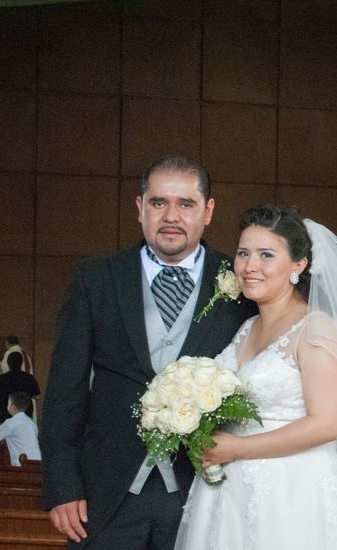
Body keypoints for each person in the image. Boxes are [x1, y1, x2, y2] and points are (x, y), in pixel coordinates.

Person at [40, 155, 257, 550]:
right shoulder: (96, 278)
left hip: (203, 493)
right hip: (105, 497)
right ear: (140, 207)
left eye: (186, 204)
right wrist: (61, 486)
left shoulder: (243, 283)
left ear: (208, 211)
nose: (170, 216)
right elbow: (64, 393)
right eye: (158, 203)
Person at [175, 204, 337, 550]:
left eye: (266, 255)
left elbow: (325, 424)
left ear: (298, 265)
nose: (250, 266)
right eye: (243, 253)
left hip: (290, 491)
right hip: (230, 488)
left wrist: (238, 448)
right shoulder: (246, 327)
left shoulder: (315, 329)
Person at [0, 391, 41, 466]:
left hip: (22, 465)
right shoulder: (32, 423)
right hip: (38, 463)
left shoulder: (10, 423)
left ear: (12, 405)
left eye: (8, 403)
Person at [0, 351, 40, 425]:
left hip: (5, 417)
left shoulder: (1, 378)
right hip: (25, 416)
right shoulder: (29, 378)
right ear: (21, 363)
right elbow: (37, 396)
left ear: (8, 363)